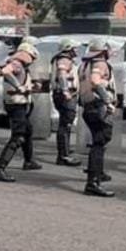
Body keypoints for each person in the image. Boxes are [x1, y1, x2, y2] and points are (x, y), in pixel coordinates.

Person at [0, 42, 41, 182]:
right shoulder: (16, 63)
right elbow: (5, 72)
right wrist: (19, 86)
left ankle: (29, 161)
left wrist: (30, 86)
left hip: (19, 104)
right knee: (18, 136)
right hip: (16, 105)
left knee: (28, 130)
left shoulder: (19, 65)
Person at [80, 37, 117, 197]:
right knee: (100, 142)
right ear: (103, 50)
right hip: (99, 106)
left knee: (98, 140)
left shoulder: (84, 64)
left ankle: (97, 173)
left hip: (88, 106)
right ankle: (93, 182)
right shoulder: (100, 63)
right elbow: (95, 81)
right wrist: (107, 100)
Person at [51, 38, 81, 166]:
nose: (77, 50)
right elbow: (62, 75)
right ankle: (63, 155)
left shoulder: (63, 59)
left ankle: (65, 151)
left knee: (66, 124)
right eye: (75, 48)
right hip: (65, 96)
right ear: (69, 48)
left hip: (63, 95)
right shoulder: (64, 60)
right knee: (65, 125)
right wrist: (65, 91)